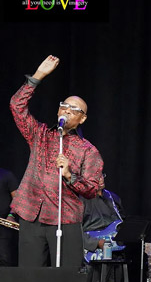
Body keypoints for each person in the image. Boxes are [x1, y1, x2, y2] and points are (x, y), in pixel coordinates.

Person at [10, 55, 104, 267]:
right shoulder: (40, 134)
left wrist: (70, 175)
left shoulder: (88, 150)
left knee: (67, 279)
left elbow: (91, 189)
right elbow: (16, 106)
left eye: (74, 109)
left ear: (82, 118)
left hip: (65, 219)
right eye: (64, 105)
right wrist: (38, 76)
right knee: (30, 278)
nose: (67, 110)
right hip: (31, 214)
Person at [82, 174, 126, 261]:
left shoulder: (113, 197)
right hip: (92, 252)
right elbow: (74, 231)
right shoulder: (80, 200)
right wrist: (96, 243)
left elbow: (122, 223)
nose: (101, 179)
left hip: (116, 253)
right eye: (96, 176)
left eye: (101, 175)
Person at [0, 168, 19, 266]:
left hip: (4, 225)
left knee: (4, 258)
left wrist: (11, 215)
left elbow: (17, 199)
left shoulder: (7, 175)